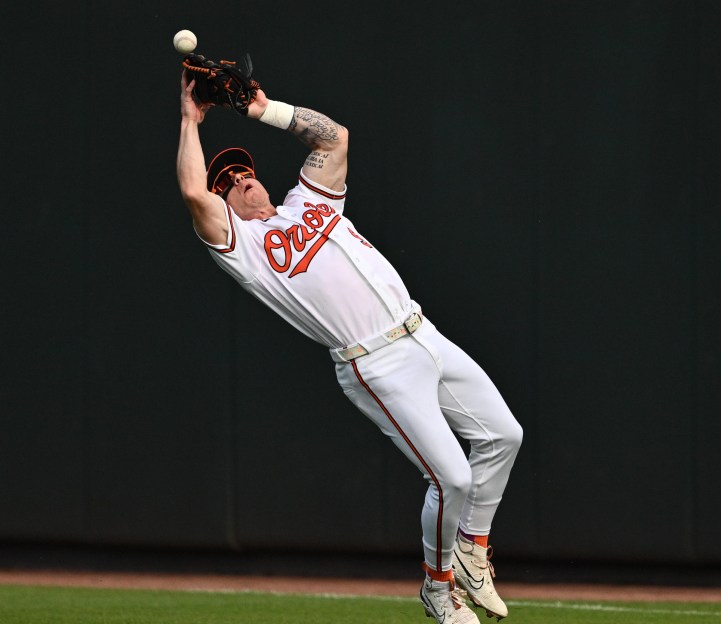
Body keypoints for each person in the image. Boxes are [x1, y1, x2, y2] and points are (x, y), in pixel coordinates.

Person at [176, 71, 521, 624]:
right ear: (225, 204)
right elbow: (194, 192)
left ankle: (472, 551)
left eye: (243, 171)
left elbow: (334, 137)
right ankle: (438, 588)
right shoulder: (245, 249)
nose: (240, 180)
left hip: (423, 333)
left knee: (504, 435)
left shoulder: (308, 202)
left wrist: (264, 110)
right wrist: (192, 121)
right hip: (374, 363)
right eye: (229, 181)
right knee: (450, 478)